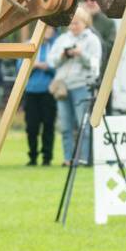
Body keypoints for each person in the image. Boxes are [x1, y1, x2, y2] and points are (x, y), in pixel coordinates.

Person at [52, 9, 102, 167]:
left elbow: (95, 64)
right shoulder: (62, 39)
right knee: (65, 126)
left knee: (83, 125)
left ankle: (82, 158)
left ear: (85, 22)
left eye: (76, 23)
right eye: (71, 23)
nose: (73, 27)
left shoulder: (92, 40)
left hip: (82, 86)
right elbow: (51, 61)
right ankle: (68, 158)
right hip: (63, 87)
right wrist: (62, 55)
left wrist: (81, 55)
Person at [22, 30, 57, 166]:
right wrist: (33, 65)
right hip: (31, 91)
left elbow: (59, 67)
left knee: (48, 125)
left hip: (49, 91)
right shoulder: (28, 45)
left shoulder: (55, 46)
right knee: (32, 126)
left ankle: (47, 157)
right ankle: (32, 156)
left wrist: (48, 67)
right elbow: (21, 68)